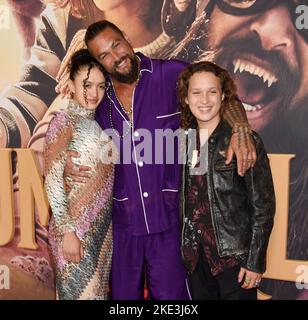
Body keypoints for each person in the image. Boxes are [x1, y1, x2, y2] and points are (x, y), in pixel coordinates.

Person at [60, 20, 256, 300]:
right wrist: (68, 166)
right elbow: (67, 141)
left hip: (169, 225)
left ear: (126, 38)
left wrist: (240, 129)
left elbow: (224, 92)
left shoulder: (171, 74)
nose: (116, 56)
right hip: (122, 227)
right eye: (104, 55)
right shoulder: (98, 98)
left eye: (116, 45)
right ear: (98, 61)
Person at [178, 61, 275, 299]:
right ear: (186, 98)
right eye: (196, 92)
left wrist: (255, 261)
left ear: (223, 96)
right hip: (197, 259)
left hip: (234, 260)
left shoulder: (243, 141)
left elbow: (263, 206)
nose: (204, 100)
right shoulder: (186, 139)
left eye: (212, 92)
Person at [44, 49, 118, 300]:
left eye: (100, 86)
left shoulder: (97, 124)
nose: (94, 93)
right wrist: (68, 233)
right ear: (72, 84)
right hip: (73, 233)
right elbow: (53, 181)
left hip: (101, 235)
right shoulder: (63, 121)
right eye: (87, 85)